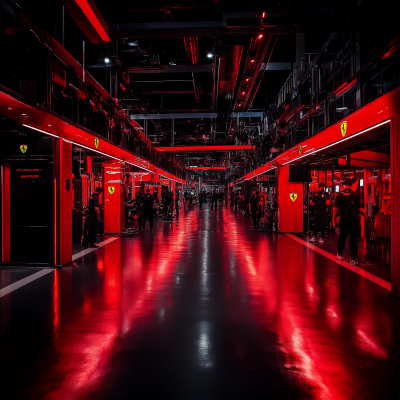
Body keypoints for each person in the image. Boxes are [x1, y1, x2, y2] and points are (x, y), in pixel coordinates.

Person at [332, 178, 366, 266]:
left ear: (344, 185)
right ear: (352, 185)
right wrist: (366, 216)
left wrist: (333, 219)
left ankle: (339, 254)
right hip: (353, 218)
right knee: (354, 239)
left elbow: (335, 209)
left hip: (343, 218)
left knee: (342, 236)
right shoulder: (356, 194)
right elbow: (360, 209)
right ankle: (353, 259)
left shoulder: (339, 195)